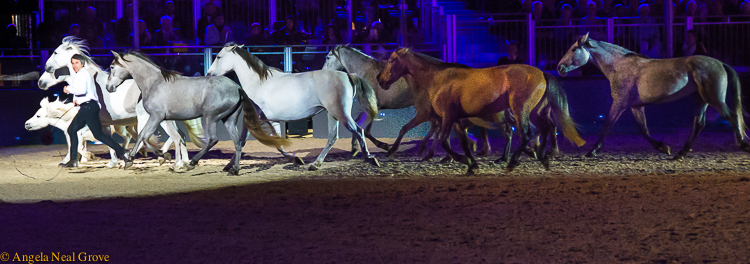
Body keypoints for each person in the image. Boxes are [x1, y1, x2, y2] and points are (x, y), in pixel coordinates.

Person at [61, 54, 127, 168]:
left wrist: (68, 89)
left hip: (89, 108)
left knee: (97, 134)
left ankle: (122, 151)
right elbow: (86, 92)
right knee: (73, 130)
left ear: (82, 63)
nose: (74, 65)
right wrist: (79, 100)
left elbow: (81, 90)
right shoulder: (82, 74)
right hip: (87, 106)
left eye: (76, 63)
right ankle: (73, 160)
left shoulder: (83, 74)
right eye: (72, 63)